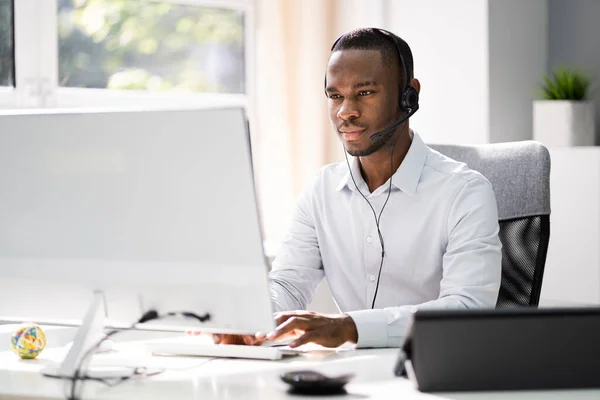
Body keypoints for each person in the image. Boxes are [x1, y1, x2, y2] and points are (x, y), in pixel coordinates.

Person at [193, 27, 502, 348]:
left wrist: (351, 327)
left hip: (435, 371)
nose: (346, 112)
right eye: (335, 96)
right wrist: (249, 320)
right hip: (351, 374)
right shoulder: (322, 190)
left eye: (365, 93)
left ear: (408, 95)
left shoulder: (464, 192)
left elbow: (467, 309)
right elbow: (288, 283)